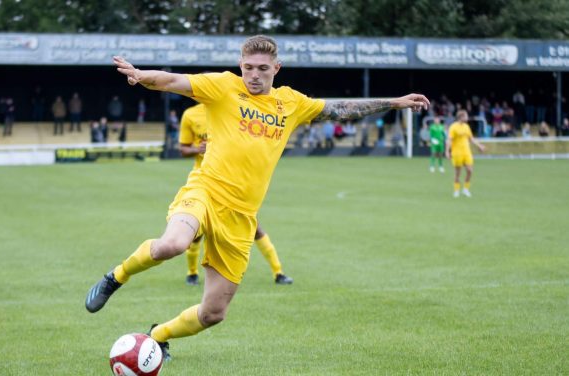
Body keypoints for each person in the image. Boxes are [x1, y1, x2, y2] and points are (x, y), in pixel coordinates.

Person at [85, 35, 429, 361]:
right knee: (173, 245)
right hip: (205, 190)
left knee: (213, 313)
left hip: (241, 216)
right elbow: (173, 81)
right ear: (240, 65)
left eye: (262, 69)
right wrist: (142, 75)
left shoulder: (290, 103)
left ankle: (158, 335)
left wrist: (395, 102)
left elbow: (339, 109)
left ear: (276, 69)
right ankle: (116, 277)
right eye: (248, 67)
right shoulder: (223, 86)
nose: (254, 75)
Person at [179, 103, 293, 286]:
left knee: (255, 229)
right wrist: (196, 149)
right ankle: (192, 273)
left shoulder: (232, 108)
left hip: (233, 182)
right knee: (197, 233)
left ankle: (278, 272)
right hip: (205, 182)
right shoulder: (191, 115)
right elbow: (183, 148)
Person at [446, 110, 485, 198]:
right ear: (461, 117)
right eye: (466, 116)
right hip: (457, 153)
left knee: (470, 171)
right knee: (458, 173)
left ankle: (466, 189)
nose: (467, 118)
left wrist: (480, 146)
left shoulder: (466, 127)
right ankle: (456, 190)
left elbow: (471, 139)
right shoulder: (453, 127)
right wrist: (447, 151)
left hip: (466, 152)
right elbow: (449, 140)